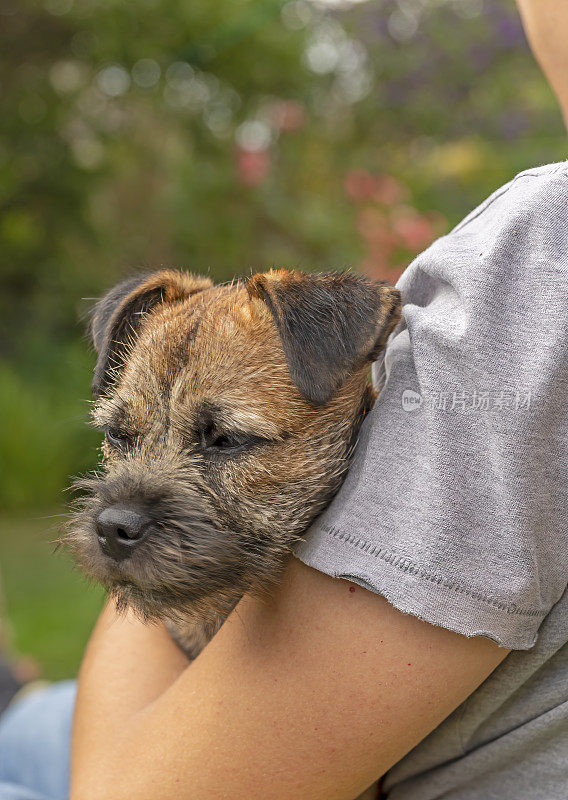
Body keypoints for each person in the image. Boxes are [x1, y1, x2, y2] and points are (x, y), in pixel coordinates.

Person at [1, 3, 568, 799]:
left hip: (180, 756)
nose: (122, 508)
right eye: (122, 440)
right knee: (25, 728)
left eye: (225, 443)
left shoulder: (541, 260)